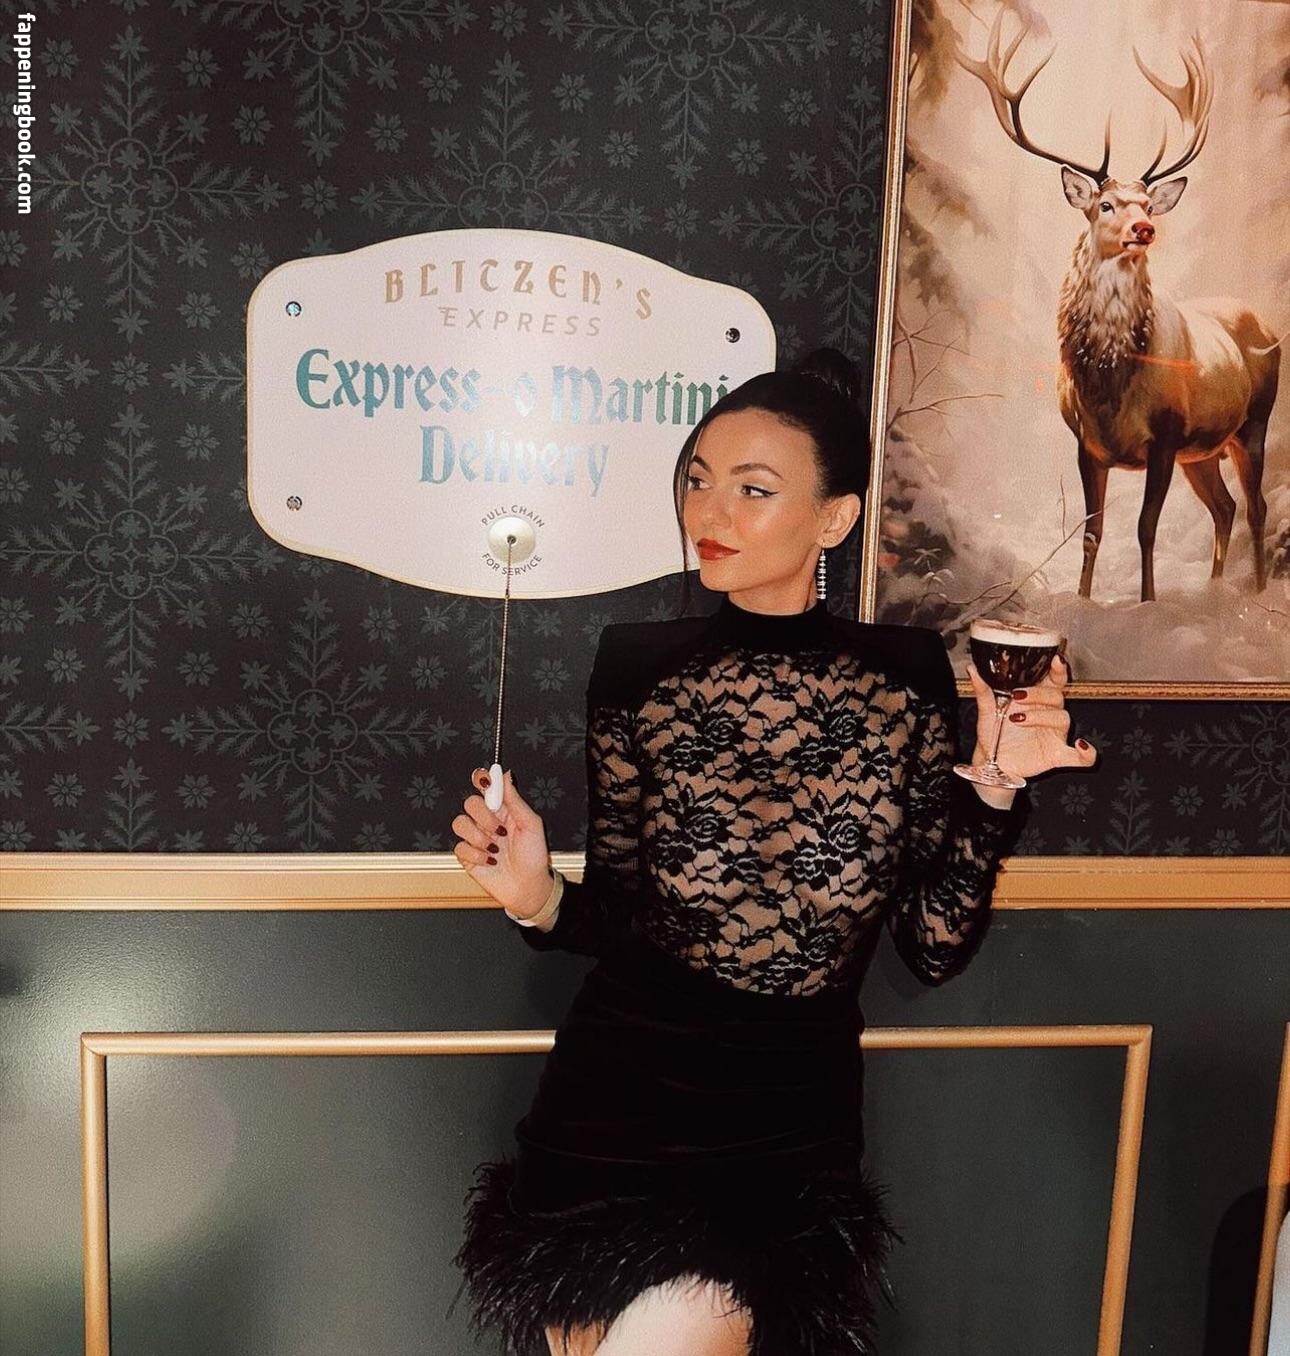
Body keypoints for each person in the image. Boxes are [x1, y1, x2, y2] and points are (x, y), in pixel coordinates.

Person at [448, 347, 1097, 1355]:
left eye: (753, 490)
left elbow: (928, 947)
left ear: (834, 519)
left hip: (783, 1139)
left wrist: (997, 788)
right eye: (699, 479)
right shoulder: (637, 669)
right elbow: (621, 916)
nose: (709, 511)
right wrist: (537, 897)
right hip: (609, 1116)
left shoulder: (903, 679)